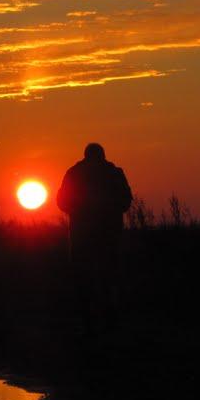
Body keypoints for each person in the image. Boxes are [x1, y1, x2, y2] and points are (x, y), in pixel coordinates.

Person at [56, 143, 132, 334]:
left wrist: (77, 211)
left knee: (84, 278)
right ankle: (109, 321)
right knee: (108, 278)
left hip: (83, 236)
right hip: (109, 235)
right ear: (102, 155)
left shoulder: (74, 173)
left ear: (86, 155)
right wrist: (111, 211)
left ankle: (88, 322)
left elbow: (61, 201)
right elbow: (126, 200)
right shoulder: (114, 173)